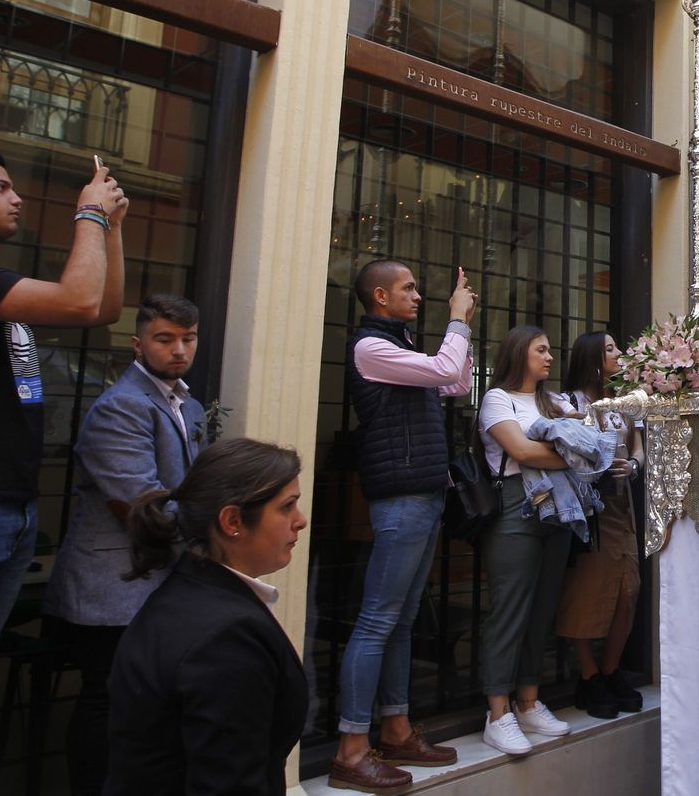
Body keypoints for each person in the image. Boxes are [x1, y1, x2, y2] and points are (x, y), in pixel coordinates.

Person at [0, 141, 126, 795]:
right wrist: (89, 216)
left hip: (3, 512)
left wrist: (112, 227)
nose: (16, 198)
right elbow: (76, 300)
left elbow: (99, 307)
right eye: (1, 186)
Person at [44, 293, 206, 795]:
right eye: (165, 339)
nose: (179, 349)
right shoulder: (121, 406)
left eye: (188, 339)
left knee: (147, 707)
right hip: (112, 587)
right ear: (138, 344)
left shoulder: (190, 404)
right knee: (108, 702)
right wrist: (221, 536)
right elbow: (141, 507)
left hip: (160, 581)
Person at [331, 259, 476, 791]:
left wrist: (461, 329)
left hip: (423, 495)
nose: (418, 295)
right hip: (401, 500)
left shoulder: (403, 349)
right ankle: (350, 748)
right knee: (377, 620)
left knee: (402, 617)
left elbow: (455, 382)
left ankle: (394, 728)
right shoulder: (370, 348)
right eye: (408, 288)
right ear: (379, 297)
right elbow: (444, 371)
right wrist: (456, 322)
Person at [104, 438, 309, 795]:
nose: (301, 521)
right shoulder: (226, 636)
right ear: (232, 520)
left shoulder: (184, 595)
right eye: (287, 507)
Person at [476, 326, 575, 756]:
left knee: (542, 608)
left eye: (549, 350)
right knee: (510, 607)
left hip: (559, 506)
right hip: (516, 505)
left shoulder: (553, 402)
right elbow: (520, 451)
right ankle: (498, 714)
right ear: (519, 353)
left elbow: (596, 441)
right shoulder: (497, 398)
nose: (549, 357)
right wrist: (572, 454)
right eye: (541, 350)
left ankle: (529, 701)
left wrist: (577, 450)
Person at [555, 332, 644, 719]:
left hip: (623, 505)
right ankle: (588, 675)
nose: (618, 354)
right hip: (589, 508)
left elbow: (638, 446)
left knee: (628, 588)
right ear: (591, 358)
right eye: (609, 349)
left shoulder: (625, 403)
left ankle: (609, 670)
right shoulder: (569, 403)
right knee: (588, 591)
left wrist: (635, 466)